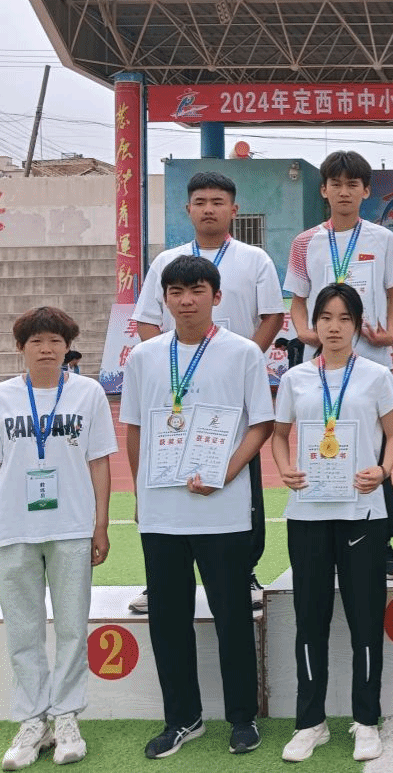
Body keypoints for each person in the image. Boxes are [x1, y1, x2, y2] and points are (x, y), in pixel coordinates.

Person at [121, 255, 275, 759]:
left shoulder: (243, 353)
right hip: (162, 513)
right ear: (164, 299)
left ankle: (242, 717)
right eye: (176, 292)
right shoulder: (144, 357)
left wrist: (225, 474)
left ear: (216, 296)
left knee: (232, 616)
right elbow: (135, 430)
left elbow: (261, 424)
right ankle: (182, 718)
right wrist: (141, 493)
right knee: (168, 620)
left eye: (197, 290)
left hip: (223, 511)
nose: (186, 300)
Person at [129, 171, 283, 614]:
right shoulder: (167, 261)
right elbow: (146, 320)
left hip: (229, 390)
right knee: (165, 477)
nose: (209, 209)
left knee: (242, 482)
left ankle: (244, 570)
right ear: (188, 209)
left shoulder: (254, 259)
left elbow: (272, 316)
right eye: (200, 202)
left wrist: (234, 362)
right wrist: (169, 366)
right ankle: (158, 582)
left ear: (234, 209)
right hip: (175, 390)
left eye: (218, 201)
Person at [0, 306, 115, 771]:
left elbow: (99, 462)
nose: (47, 349)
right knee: (23, 630)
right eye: (36, 341)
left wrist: (100, 525)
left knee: (73, 626)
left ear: (68, 347)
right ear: (21, 347)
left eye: (55, 341)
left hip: (72, 527)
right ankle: (33, 721)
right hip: (12, 529)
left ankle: (67, 717)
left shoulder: (89, 393)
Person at [272, 283, 393, 763]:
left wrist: (383, 470)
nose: (333, 327)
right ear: (314, 325)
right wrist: (284, 468)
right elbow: (279, 436)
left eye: (344, 318)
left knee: (366, 619)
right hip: (307, 513)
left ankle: (366, 720)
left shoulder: (376, 376)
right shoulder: (295, 379)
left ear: (357, 325)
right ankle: (311, 722)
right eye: (325, 317)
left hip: (361, 513)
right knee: (310, 620)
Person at [282, 150, 393, 579]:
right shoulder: (305, 242)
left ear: (366, 191)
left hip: (370, 357)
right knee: (326, 441)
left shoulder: (382, 238)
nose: (344, 192)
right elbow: (298, 300)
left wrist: (391, 331)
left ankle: (383, 543)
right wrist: (305, 331)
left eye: (353, 184)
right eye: (335, 184)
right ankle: (325, 537)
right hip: (325, 360)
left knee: (376, 450)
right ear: (323, 190)